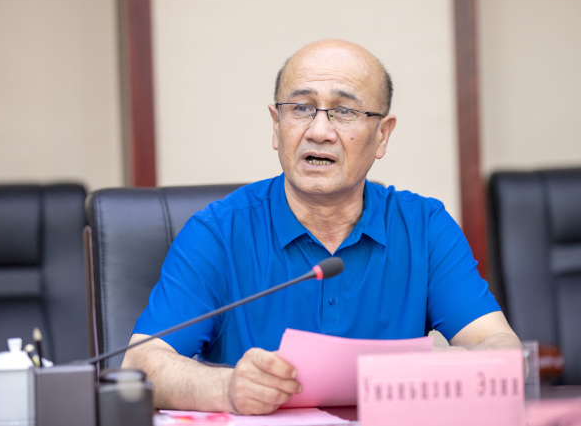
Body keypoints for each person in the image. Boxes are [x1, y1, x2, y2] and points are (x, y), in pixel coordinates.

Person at [122, 39, 524, 415]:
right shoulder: (217, 233)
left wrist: (436, 371)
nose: (318, 131)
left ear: (382, 135)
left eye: (344, 111)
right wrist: (226, 388)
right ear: (276, 125)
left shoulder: (424, 227)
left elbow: (502, 348)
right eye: (300, 108)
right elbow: (140, 364)